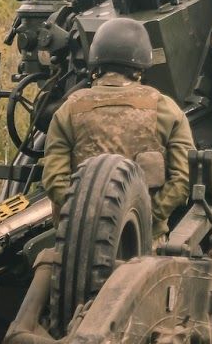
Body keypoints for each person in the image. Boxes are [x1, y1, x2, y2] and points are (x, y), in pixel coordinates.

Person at [41, 18, 194, 227]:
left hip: (78, 247)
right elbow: (183, 179)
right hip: (146, 247)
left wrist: (88, 223)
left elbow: (54, 179)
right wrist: (144, 218)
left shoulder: (68, 109)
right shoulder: (165, 108)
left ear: (96, 60)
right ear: (142, 63)